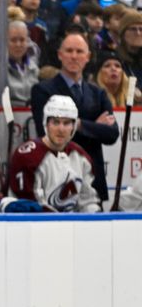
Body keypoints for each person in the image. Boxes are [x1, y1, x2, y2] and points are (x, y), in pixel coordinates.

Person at [31, 31, 119, 203]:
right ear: (60, 55)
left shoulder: (98, 93)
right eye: (69, 51)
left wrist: (77, 124)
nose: (74, 56)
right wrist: (92, 127)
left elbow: (112, 134)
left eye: (79, 52)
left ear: (88, 57)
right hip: (55, 177)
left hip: (92, 178)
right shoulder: (43, 90)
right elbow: (46, 133)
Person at [10, 95, 101, 212]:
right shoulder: (27, 157)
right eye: (56, 122)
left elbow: (88, 201)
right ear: (46, 124)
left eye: (66, 123)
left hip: (72, 226)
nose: (61, 129)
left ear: (74, 126)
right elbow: (31, 207)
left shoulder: (81, 157)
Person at [0, 21, 39, 106]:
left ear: (28, 42)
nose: (18, 44)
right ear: (4, 42)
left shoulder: (34, 68)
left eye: (22, 40)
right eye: (13, 40)